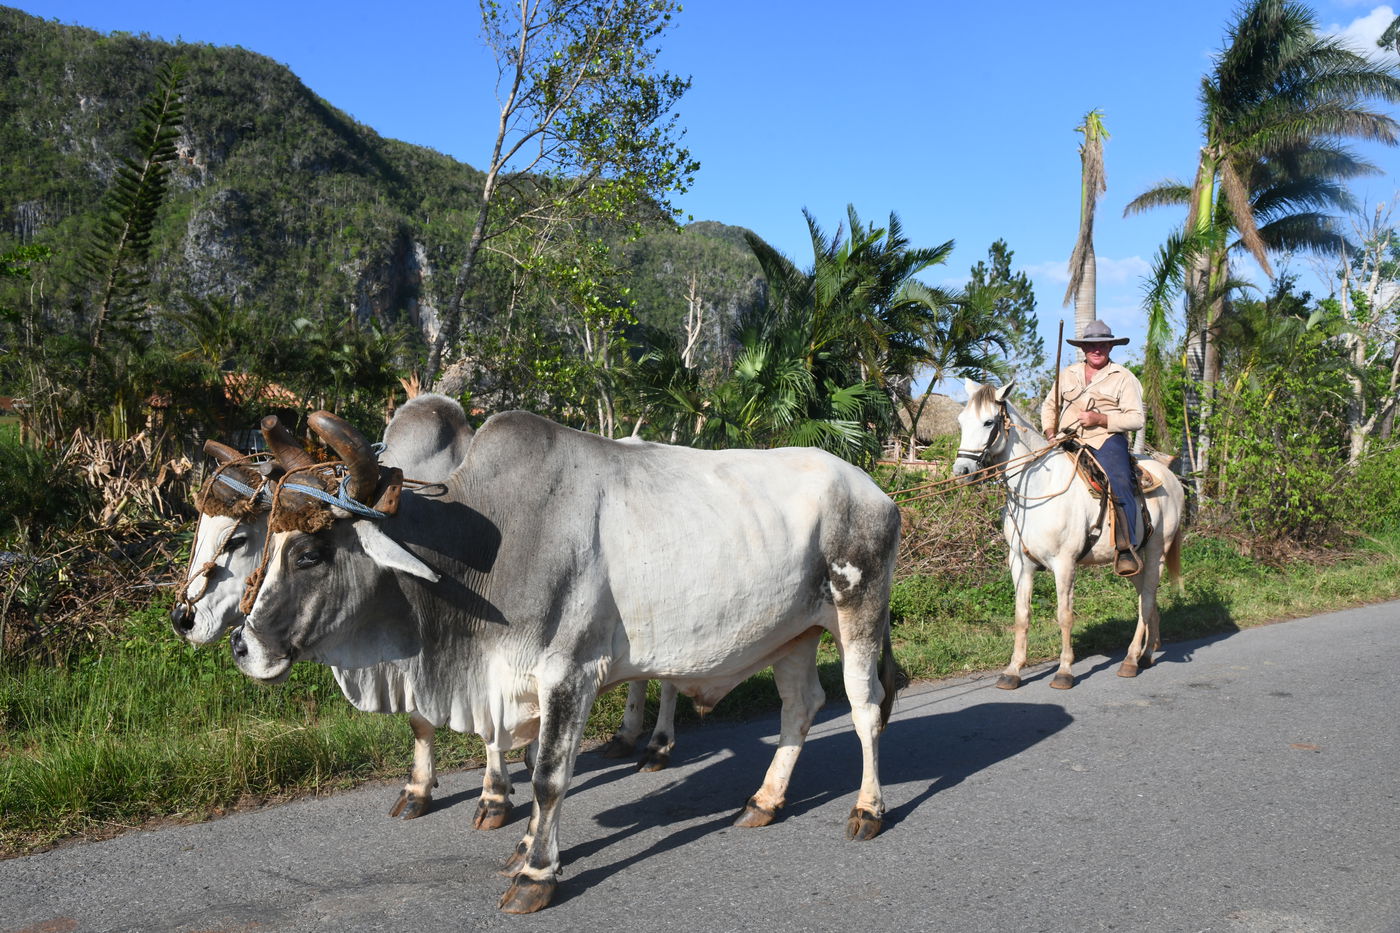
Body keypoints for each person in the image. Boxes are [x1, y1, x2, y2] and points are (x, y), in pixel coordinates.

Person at [1040, 319, 1146, 576]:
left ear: (1111, 347)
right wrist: (1051, 432)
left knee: (1120, 479)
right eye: (1091, 345)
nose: (1097, 349)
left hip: (1105, 440)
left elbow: (1136, 419)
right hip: (1066, 439)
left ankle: (1126, 546)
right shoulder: (1067, 374)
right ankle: (1038, 543)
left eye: (1102, 345)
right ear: (1083, 348)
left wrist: (1101, 419)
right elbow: (1049, 406)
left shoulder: (1123, 377)